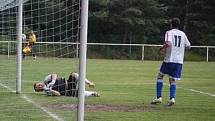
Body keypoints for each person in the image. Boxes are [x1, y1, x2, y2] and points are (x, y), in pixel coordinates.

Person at [151, 17, 191, 106]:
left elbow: (168, 43)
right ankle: (172, 98)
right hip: (179, 61)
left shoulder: (169, 32)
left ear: (171, 24)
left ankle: (159, 97)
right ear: (178, 25)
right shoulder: (183, 34)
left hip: (169, 59)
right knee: (172, 79)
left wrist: (161, 48)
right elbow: (188, 46)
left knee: (160, 76)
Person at [34, 72, 100, 97]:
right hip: (67, 91)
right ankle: (93, 93)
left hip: (68, 82)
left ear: (40, 82)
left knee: (74, 74)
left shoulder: (46, 80)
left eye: (39, 84)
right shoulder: (47, 92)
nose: (40, 86)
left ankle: (89, 83)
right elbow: (58, 94)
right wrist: (50, 90)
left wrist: (53, 81)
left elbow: (54, 74)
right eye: (39, 87)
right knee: (80, 94)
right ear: (40, 90)